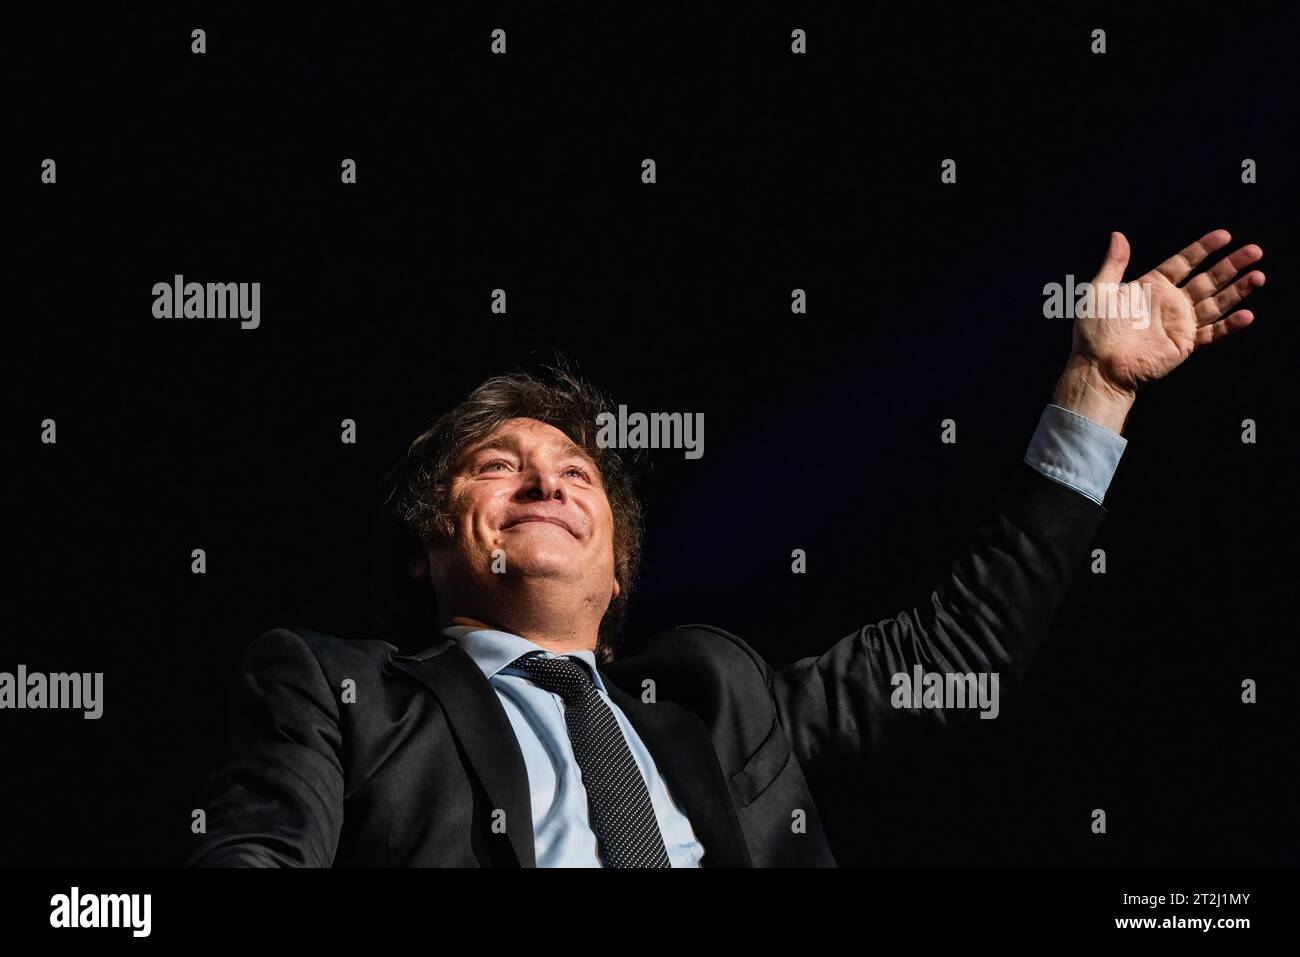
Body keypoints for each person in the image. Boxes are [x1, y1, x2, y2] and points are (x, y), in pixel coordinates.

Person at [187, 230, 1264, 867]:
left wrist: (1097, 389)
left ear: (617, 574)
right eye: (497, 466)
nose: (547, 480)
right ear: (426, 546)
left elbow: (964, 649)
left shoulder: (720, 703)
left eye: (576, 476)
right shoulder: (336, 690)